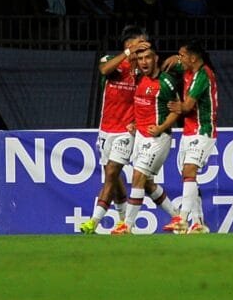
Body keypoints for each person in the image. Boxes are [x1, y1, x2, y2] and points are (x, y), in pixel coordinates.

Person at [80, 25, 149, 234]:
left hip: (125, 131)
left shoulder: (142, 72)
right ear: (129, 45)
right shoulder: (112, 62)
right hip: (105, 130)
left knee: (111, 172)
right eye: (140, 43)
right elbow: (104, 70)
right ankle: (123, 222)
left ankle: (93, 221)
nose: (144, 47)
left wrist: (139, 121)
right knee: (114, 177)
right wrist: (128, 54)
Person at [111, 46, 182, 235]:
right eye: (140, 58)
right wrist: (135, 122)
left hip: (158, 137)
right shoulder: (140, 79)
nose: (144, 62)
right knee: (148, 183)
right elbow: (142, 106)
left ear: (156, 58)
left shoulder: (166, 82)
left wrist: (160, 127)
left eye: (148, 58)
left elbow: (177, 110)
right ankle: (177, 218)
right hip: (141, 136)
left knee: (138, 176)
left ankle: (127, 225)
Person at [163, 40, 218, 234]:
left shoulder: (203, 75)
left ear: (193, 58)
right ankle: (198, 222)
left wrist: (173, 106)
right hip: (188, 131)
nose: (180, 59)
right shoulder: (189, 68)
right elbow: (169, 63)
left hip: (203, 131)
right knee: (188, 177)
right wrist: (174, 58)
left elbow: (186, 107)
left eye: (182, 56)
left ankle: (182, 219)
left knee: (189, 171)